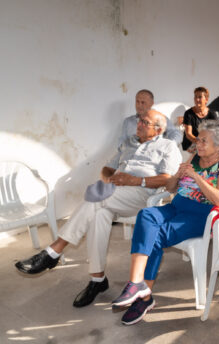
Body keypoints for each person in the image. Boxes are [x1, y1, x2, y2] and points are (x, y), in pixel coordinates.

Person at [15, 110, 182, 308]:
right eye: (139, 121)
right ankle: (97, 280)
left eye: (144, 122)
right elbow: (107, 168)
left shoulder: (168, 146)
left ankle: (54, 252)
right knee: (98, 214)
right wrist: (109, 179)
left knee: (96, 199)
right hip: (116, 191)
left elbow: (169, 179)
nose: (138, 124)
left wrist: (134, 180)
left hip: (142, 194)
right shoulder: (129, 142)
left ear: (159, 129)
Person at [112, 120, 219, 325]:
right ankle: (136, 283)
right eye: (198, 139)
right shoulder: (194, 157)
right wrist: (177, 175)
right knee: (146, 215)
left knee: (156, 236)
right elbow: (170, 188)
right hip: (177, 206)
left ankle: (144, 296)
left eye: (204, 141)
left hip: (201, 215)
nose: (198, 144)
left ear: (218, 146)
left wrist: (195, 176)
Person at [182, 87, 218, 151]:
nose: (197, 99)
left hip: (205, 145)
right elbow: (188, 134)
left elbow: (215, 133)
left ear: (206, 99)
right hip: (190, 145)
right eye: (195, 97)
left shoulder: (212, 114)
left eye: (200, 97)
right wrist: (199, 143)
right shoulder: (188, 113)